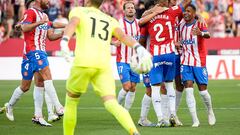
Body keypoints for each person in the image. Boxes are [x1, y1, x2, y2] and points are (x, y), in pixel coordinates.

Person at [59, 0, 152, 134]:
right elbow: (123, 36)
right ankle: (134, 132)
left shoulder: (78, 11)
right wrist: (138, 48)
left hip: (83, 63)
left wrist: (64, 41)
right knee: (111, 102)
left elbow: (72, 23)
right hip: (103, 66)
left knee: (71, 102)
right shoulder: (109, 19)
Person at [4, 0, 64, 126]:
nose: (49, 2)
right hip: (32, 51)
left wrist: (63, 33)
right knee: (46, 76)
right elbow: (24, 27)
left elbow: (50, 35)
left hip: (39, 51)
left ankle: (37, 116)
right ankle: (58, 108)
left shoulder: (45, 16)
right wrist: (39, 23)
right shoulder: (30, 12)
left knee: (32, 85)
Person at [138, 0, 191, 127]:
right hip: (170, 54)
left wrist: (152, 12)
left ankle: (161, 118)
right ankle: (172, 113)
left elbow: (140, 23)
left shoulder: (148, 17)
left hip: (156, 55)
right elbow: (186, 3)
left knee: (155, 87)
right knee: (169, 85)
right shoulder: (171, 12)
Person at [179, 4, 216, 127]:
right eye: (185, 11)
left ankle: (210, 111)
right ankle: (195, 120)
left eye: (189, 11)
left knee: (203, 91)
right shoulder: (181, 24)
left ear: (194, 13)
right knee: (188, 89)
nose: (186, 13)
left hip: (199, 62)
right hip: (185, 62)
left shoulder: (199, 23)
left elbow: (208, 35)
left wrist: (200, 33)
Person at [115, 1, 140, 111]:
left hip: (135, 61)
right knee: (127, 86)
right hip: (122, 60)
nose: (130, 9)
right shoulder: (118, 24)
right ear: (124, 11)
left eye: (132, 8)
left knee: (133, 88)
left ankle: (126, 112)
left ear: (135, 10)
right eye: (128, 8)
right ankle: (116, 107)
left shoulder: (139, 23)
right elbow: (106, 37)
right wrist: (113, 43)